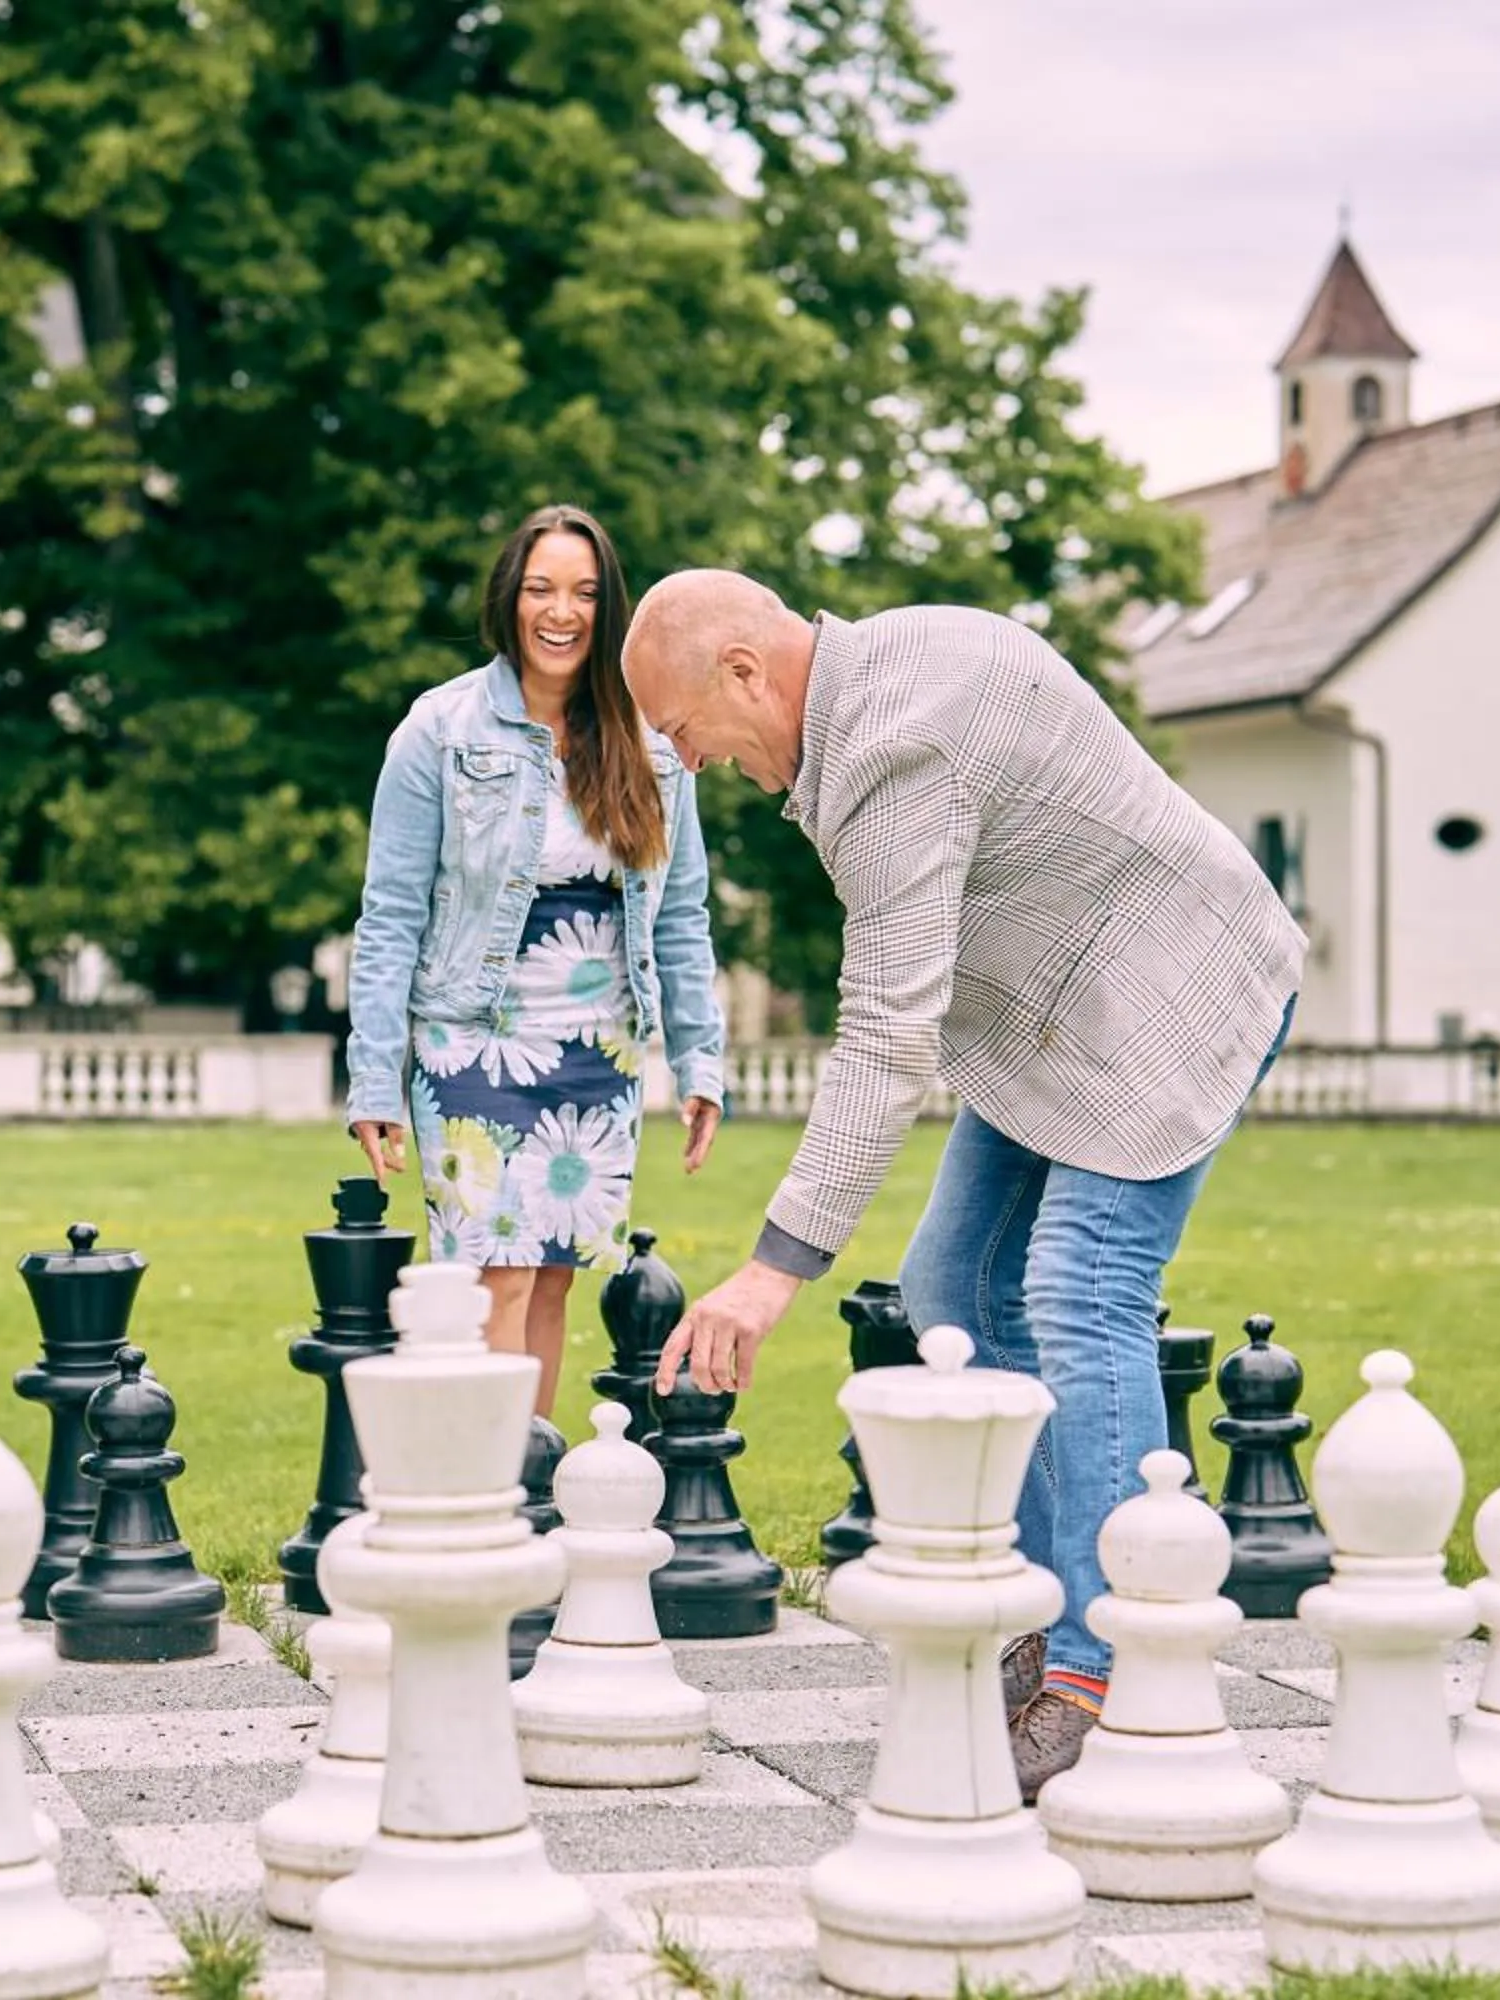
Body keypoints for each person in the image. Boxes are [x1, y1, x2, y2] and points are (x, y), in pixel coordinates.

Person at [621, 569, 1303, 1798]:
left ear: (741, 671)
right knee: (953, 1278)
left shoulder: (894, 744)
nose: (690, 759)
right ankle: (1046, 1612)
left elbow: (887, 1034)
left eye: (682, 730)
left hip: (1167, 989)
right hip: (1056, 1003)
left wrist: (775, 1271)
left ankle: (1107, 1669)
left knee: (1080, 1286)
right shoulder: (879, 674)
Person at [346, 506, 730, 1413]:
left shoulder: (653, 745)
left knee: (553, 1281)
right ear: (510, 600)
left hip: (599, 1053)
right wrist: (373, 1077)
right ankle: (486, 1496)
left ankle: (528, 1477)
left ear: (611, 610)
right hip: (471, 1041)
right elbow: (390, 913)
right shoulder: (438, 730)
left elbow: (682, 914)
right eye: (542, 590)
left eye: (586, 593)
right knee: (496, 1279)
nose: (563, 612)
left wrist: (700, 1058)